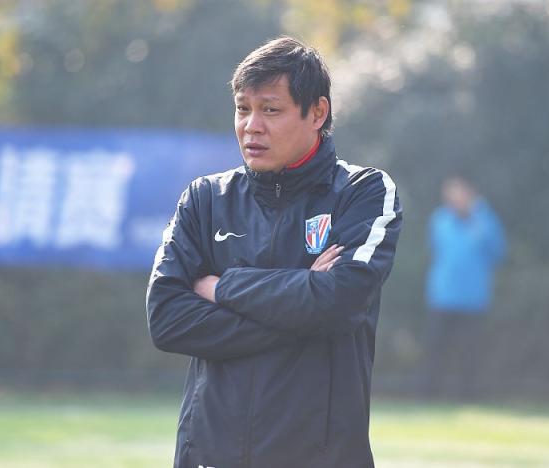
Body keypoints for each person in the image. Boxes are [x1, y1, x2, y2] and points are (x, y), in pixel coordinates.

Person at [146, 37, 402, 468]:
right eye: (242, 109)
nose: (251, 126)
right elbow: (167, 320)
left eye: (270, 110)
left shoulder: (363, 192)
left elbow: (339, 303)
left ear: (317, 113)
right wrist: (304, 299)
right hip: (209, 455)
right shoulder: (205, 199)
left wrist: (221, 287)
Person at [422, 176, 506, 399]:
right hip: (442, 295)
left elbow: (498, 253)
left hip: (474, 298)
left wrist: (478, 218)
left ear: (470, 194)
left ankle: (467, 395)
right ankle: (429, 394)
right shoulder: (440, 220)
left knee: (470, 351)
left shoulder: (486, 220)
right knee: (436, 348)